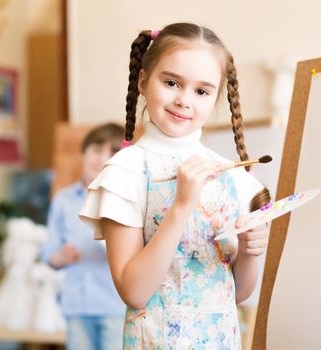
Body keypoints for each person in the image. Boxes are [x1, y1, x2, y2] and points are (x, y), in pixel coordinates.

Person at [79, 23, 271, 349]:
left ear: (216, 100)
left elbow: (235, 293)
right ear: (143, 81)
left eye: (201, 91)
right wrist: (181, 207)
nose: (184, 100)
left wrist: (249, 252)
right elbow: (134, 292)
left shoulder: (232, 177)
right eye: (171, 83)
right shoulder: (125, 173)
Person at [41, 123, 126, 350]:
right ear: (83, 153)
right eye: (97, 150)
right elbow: (49, 253)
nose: (102, 158)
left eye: (112, 153)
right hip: (76, 306)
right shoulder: (63, 200)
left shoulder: (127, 202)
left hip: (115, 307)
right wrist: (60, 257)